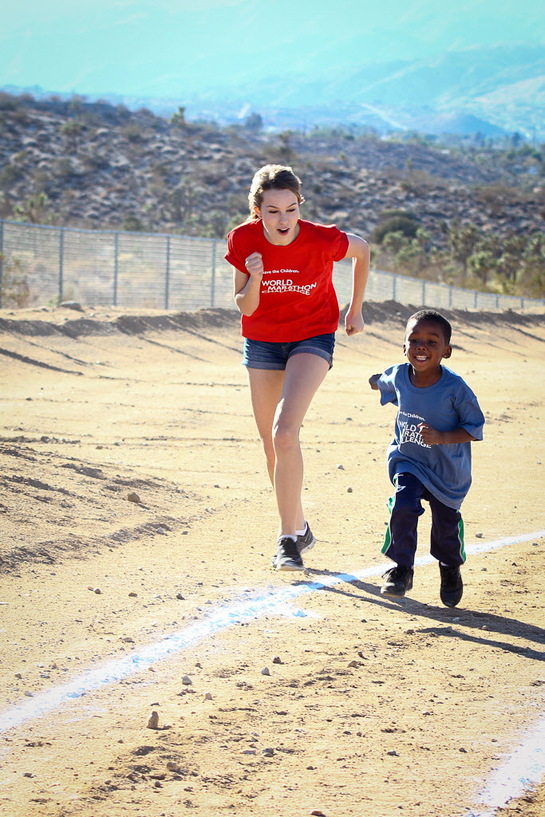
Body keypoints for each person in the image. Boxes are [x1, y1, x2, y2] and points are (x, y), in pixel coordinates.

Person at [225, 163, 370, 571]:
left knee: (285, 433)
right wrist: (254, 277)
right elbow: (245, 306)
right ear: (258, 210)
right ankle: (300, 526)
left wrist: (355, 309)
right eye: (273, 211)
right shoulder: (243, 240)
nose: (283, 219)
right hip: (263, 341)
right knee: (272, 447)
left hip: (312, 335)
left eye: (291, 209)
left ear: (299, 206)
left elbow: (362, 250)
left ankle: (286, 540)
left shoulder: (324, 239)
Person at [369, 309, 484, 607]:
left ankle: (449, 567)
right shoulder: (398, 375)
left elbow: (475, 428)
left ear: (446, 351)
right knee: (403, 504)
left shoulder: (456, 388)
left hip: (447, 472)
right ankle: (401, 569)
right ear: (404, 346)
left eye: (432, 342)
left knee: (445, 526)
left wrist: (442, 437)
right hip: (409, 461)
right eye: (414, 340)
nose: (422, 346)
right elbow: (385, 382)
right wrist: (375, 381)